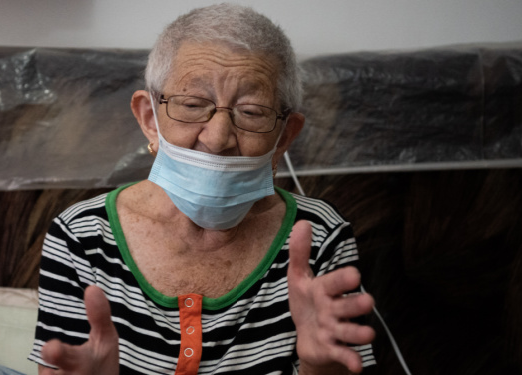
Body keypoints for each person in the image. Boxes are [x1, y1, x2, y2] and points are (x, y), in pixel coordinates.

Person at [28, 4, 376, 374]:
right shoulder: (80, 235)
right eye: (192, 104)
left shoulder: (318, 237)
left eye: (252, 112)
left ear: (285, 135)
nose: (218, 137)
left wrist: (318, 365)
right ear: (149, 118)